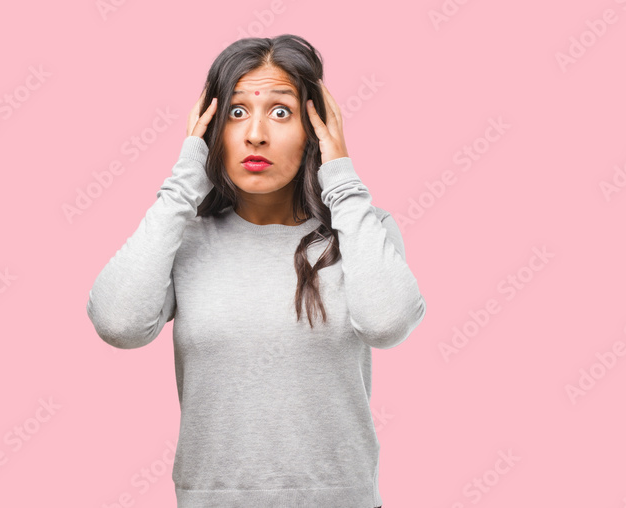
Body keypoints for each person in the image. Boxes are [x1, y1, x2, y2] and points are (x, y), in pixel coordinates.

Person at [85, 34, 425, 508]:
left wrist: (342, 178)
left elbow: (387, 323)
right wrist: (185, 181)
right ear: (212, 129)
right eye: (237, 112)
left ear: (315, 127)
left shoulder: (360, 228)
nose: (255, 134)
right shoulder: (184, 237)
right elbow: (118, 324)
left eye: (281, 112)